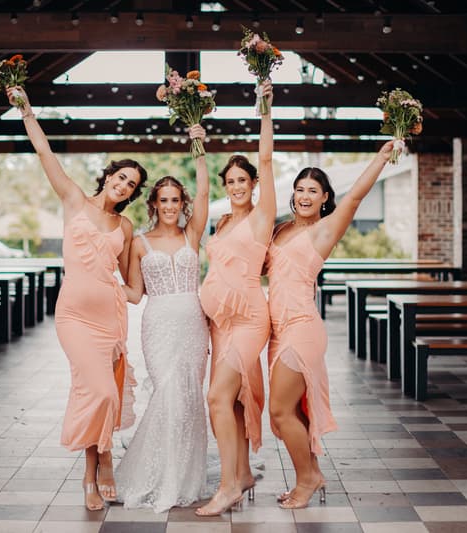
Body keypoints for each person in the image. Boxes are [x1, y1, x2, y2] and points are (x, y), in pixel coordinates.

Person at [6, 86, 147, 512]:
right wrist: (27, 111)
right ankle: (98, 466)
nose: (124, 186)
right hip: (74, 319)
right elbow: (45, 153)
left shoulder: (125, 229)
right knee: (101, 392)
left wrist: (115, 288)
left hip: (111, 320)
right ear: (108, 175)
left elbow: (134, 290)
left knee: (99, 392)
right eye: (121, 177)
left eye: (133, 185)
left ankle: (99, 469)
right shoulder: (73, 200)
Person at [266, 141, 395, 509]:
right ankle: (310, 474)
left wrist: (382, 157)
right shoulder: (279, 230)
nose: (305, 196)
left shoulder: (324, 229)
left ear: (324, 198)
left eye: (313, 191)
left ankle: (308, 479)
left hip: (302, 328)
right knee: (296, 411)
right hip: (278, 330)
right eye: (300, 189)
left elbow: (354, 197)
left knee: (279, 410)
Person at [115, 125, 211, 512]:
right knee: (168, 394)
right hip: (158, 326)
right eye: (163, 200)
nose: (170, 206)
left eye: (175, 200)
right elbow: (135, 294)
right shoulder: (139, 243)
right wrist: (99, 279)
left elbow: (205, 191)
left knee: (189, 400)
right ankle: (158, 478)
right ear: (153, 203)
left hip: (193, 323)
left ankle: (185, 476)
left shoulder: (192, 235)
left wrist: (199, 144)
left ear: (181, 203)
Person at [195, 81, 276, 517]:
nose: (236, 186)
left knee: (217, 398)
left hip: (247, 319)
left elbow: (265, 155)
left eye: (242, 180)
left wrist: (265, 105)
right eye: (231, 181)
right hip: (220, 323)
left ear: (254, 182)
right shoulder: (223, 221)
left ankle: (227, 486)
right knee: (235, 397)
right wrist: (198, 147)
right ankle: (242, 473)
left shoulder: (262, 216)